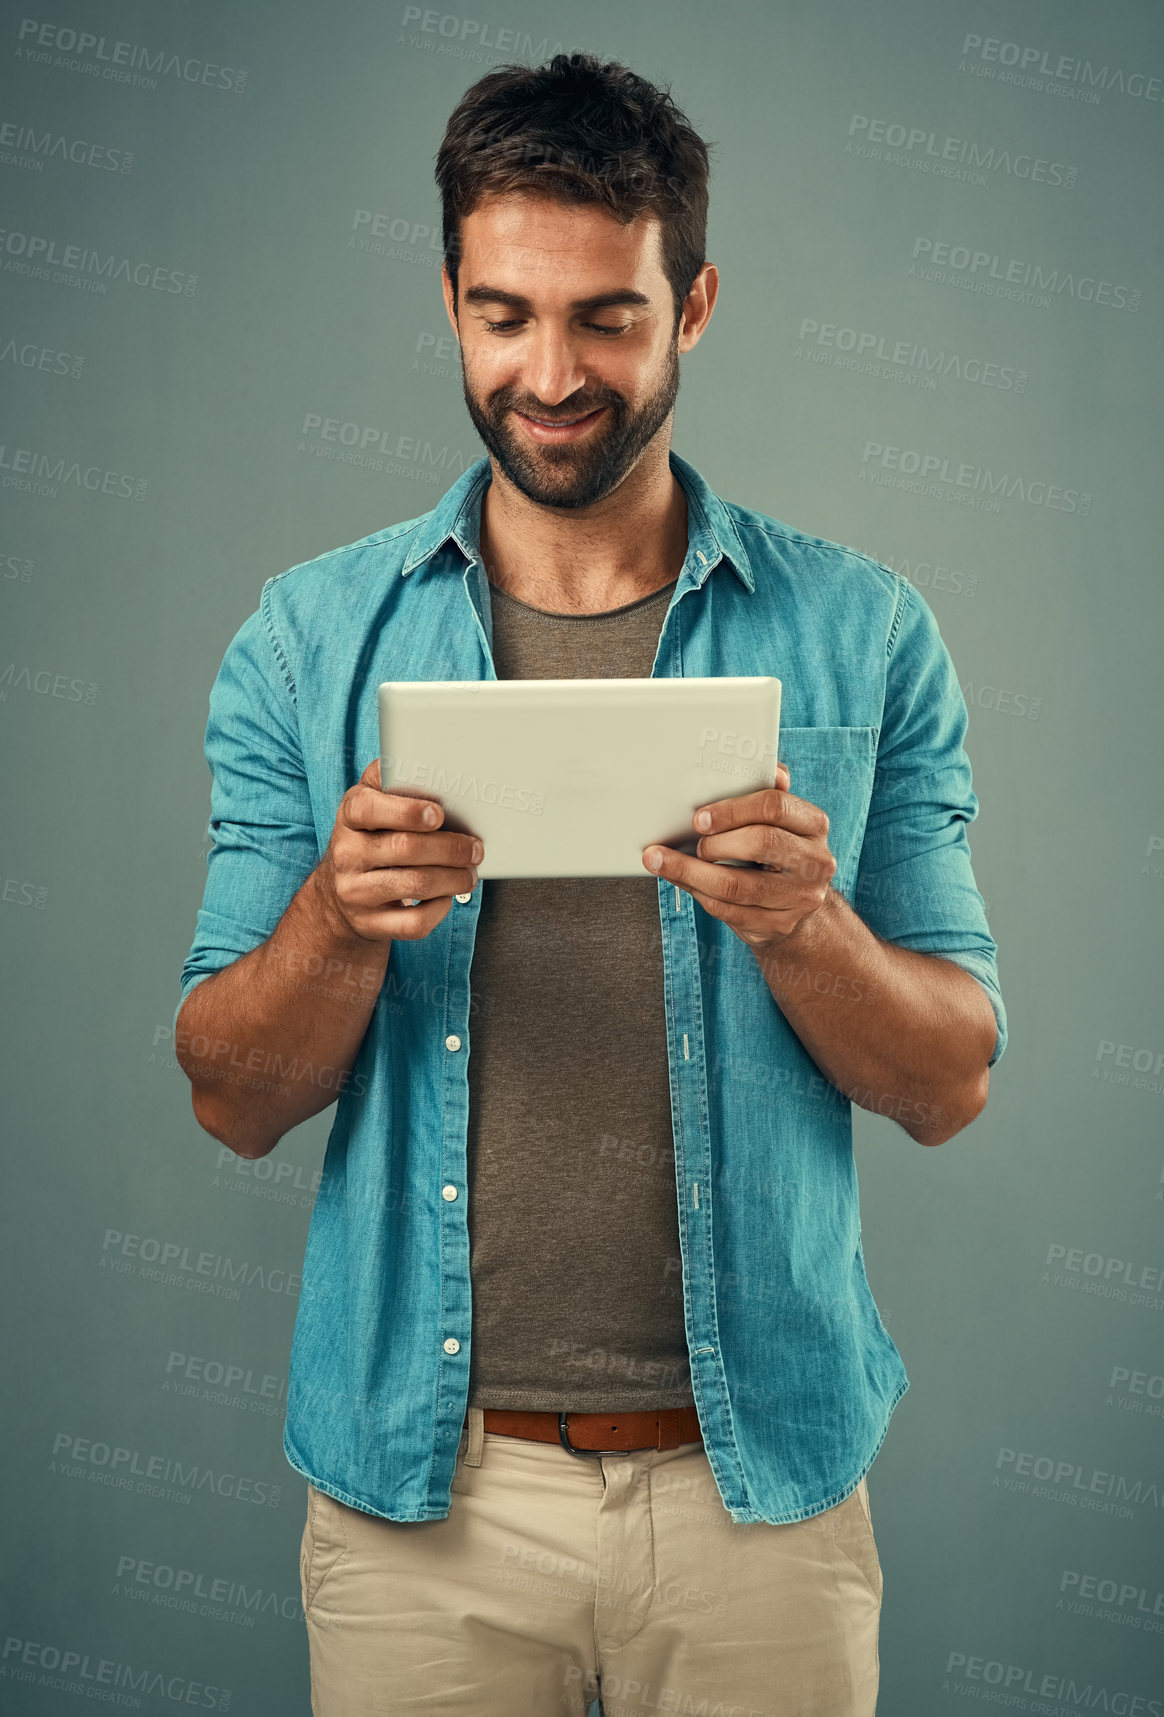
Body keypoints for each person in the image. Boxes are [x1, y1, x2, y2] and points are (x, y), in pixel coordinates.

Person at [174, 50, 1006, 1717]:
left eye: (605, 319)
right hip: (426, 1508)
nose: (549, 372)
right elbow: (231, 1097)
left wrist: (807, 927)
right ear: (451, 301)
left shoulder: (865, 630)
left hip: (759, 1496)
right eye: (503, 316)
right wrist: (335, 922)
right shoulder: (305, 641)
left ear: (693, 303)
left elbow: (951, 1079)